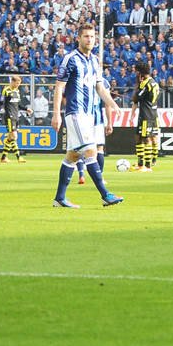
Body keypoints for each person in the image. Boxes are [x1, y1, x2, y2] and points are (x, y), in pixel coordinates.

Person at [50, 21, 122, 208]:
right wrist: (56, 114)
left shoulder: (94, 61)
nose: (89, 39)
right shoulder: (71, 59)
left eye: (92, 36)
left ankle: (60, 198)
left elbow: (99, 87)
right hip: (75, 112)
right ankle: (105, 195)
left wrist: (112, 104)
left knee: (72, 156)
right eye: (86, 36)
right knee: (91, 151)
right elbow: (59, 87)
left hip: (89, 115)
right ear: (79, 38)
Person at [134, 66, 161, 173]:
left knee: (146, 139)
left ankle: (148, 166)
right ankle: (142, 163)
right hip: (153, 113)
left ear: (141, 73)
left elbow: (136, 98)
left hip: (146, 114)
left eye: (137, 72)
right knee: (140, 137)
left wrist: (138, 86)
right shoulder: (155, 83)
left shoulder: (145, 83)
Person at [0, 74, 24, 165]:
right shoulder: (6, 90)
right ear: (12, 82)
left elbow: (18, 105)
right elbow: (1, 103)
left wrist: (26, 109)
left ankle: (3, 157)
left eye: (19, 83)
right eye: (17, 83)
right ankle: (18, 156)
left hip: (16, 116)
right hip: (9, 116)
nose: (18, 85)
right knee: (14, 136)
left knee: (10, 137)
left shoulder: (17, 91)